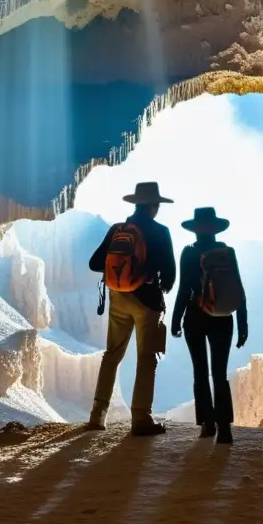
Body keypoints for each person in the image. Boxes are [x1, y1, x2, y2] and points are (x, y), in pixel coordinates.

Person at [87, 182, 176, 436]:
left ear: (135, 204)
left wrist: (120, 276)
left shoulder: (117, 230)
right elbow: (169, 277)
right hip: (147, 303)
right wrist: (152, 280)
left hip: (118, 300)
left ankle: (97, 416)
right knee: (146, 358)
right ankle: (141, 419)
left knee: (112, 355)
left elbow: (95, 263)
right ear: (153, 206)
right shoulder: (160, 232)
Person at [171, 207, 248, 444]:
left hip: (195, 316)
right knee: (219, 374)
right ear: (215, 229)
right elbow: (238, 288)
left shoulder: (189, 253)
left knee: (200, 372)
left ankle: (208, 424)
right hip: (224, 317)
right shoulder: (227, 252)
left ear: (195, 230)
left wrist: (175, 320)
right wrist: (243, 322)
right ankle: (225, 428)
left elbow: (184, 289)